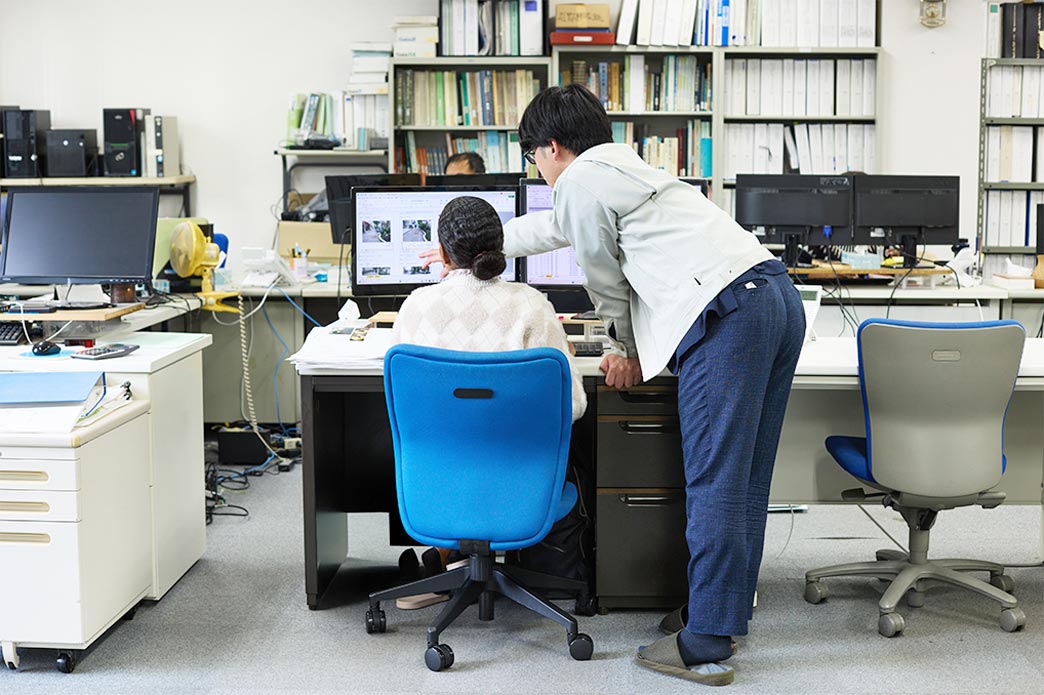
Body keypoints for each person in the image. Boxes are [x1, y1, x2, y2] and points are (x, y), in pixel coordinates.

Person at [455, 84, 804, 686]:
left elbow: (605, 279)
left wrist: (623, 346)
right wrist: (478, 248)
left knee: (716, 481)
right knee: (744, 479)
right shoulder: (624, 169)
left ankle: (705, 640)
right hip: (773, 297)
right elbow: (553, 228)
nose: (538, 171)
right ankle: (716, 615)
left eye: (534, 157)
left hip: (727, 315)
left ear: (552, 147)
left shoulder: (581, 181)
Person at [392, 195, 588, 607]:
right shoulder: (532, 306)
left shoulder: (415, 308)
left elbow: (404, 409)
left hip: (436, 489)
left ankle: (446, 561)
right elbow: (573, 407)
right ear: (501, 248)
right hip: (522, 491)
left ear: (443, 253)